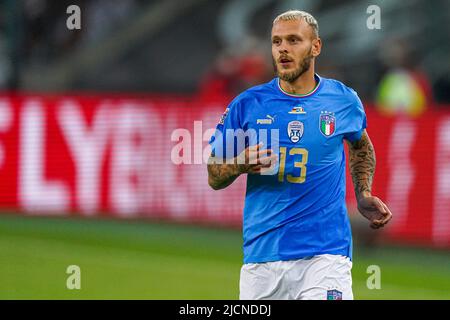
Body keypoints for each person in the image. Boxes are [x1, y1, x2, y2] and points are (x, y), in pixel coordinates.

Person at [207, 10, 392, 300]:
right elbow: (214, 174)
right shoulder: (248, 105)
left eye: (293, 40)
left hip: (326, 254)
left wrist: (363, 192)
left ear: (315, 46)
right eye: (276, 41)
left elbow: (361, 146)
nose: (283, 48)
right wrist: (239, 163)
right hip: (262, 257)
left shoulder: (343, 100)